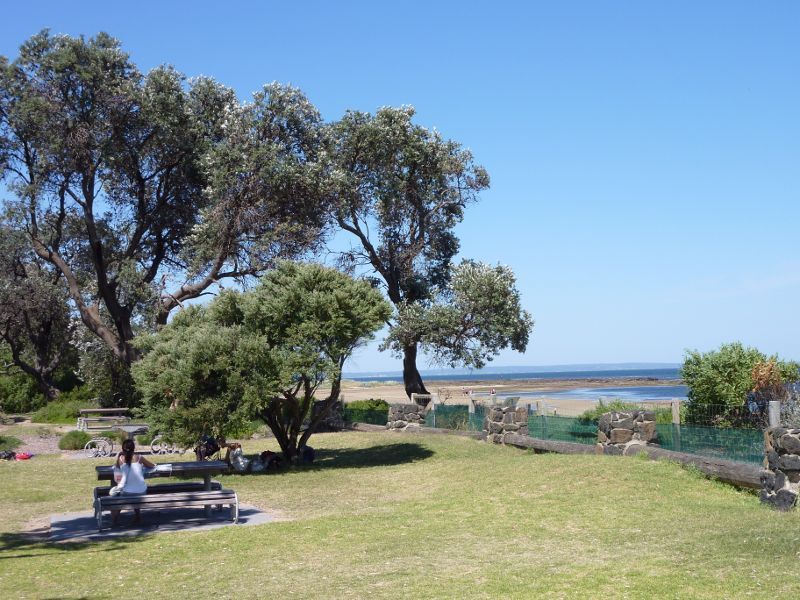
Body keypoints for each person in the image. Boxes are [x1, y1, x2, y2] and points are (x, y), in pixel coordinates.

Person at [111, 439, 155, 526]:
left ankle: (114, 520)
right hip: (142, 491)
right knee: (134, 490)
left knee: (117, 496)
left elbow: (117, 470)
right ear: (134, 448)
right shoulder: (139, 458)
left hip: (128, 492)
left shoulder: (121, 458)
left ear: (123, 448)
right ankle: (137, 517)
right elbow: (151, 466)